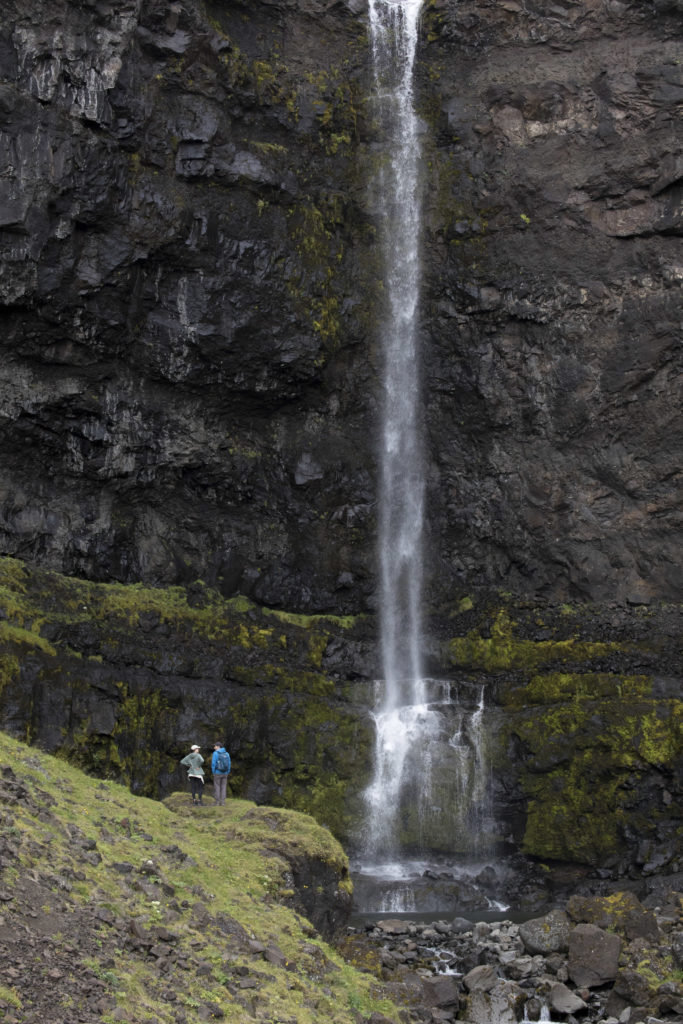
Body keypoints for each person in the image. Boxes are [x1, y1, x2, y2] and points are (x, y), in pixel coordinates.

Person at [211, 742, 231, 806]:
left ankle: (217, 802)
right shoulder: (227, 753)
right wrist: (228, 772)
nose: (214, 747)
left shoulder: (215, 753)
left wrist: (213, 772)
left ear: (218, 746)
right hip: (225, 773)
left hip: (217, 772)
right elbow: (229, 763)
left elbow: (213, 764)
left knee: (217, 786)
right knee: (223, 787)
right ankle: (223, 802)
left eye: (215, 746)